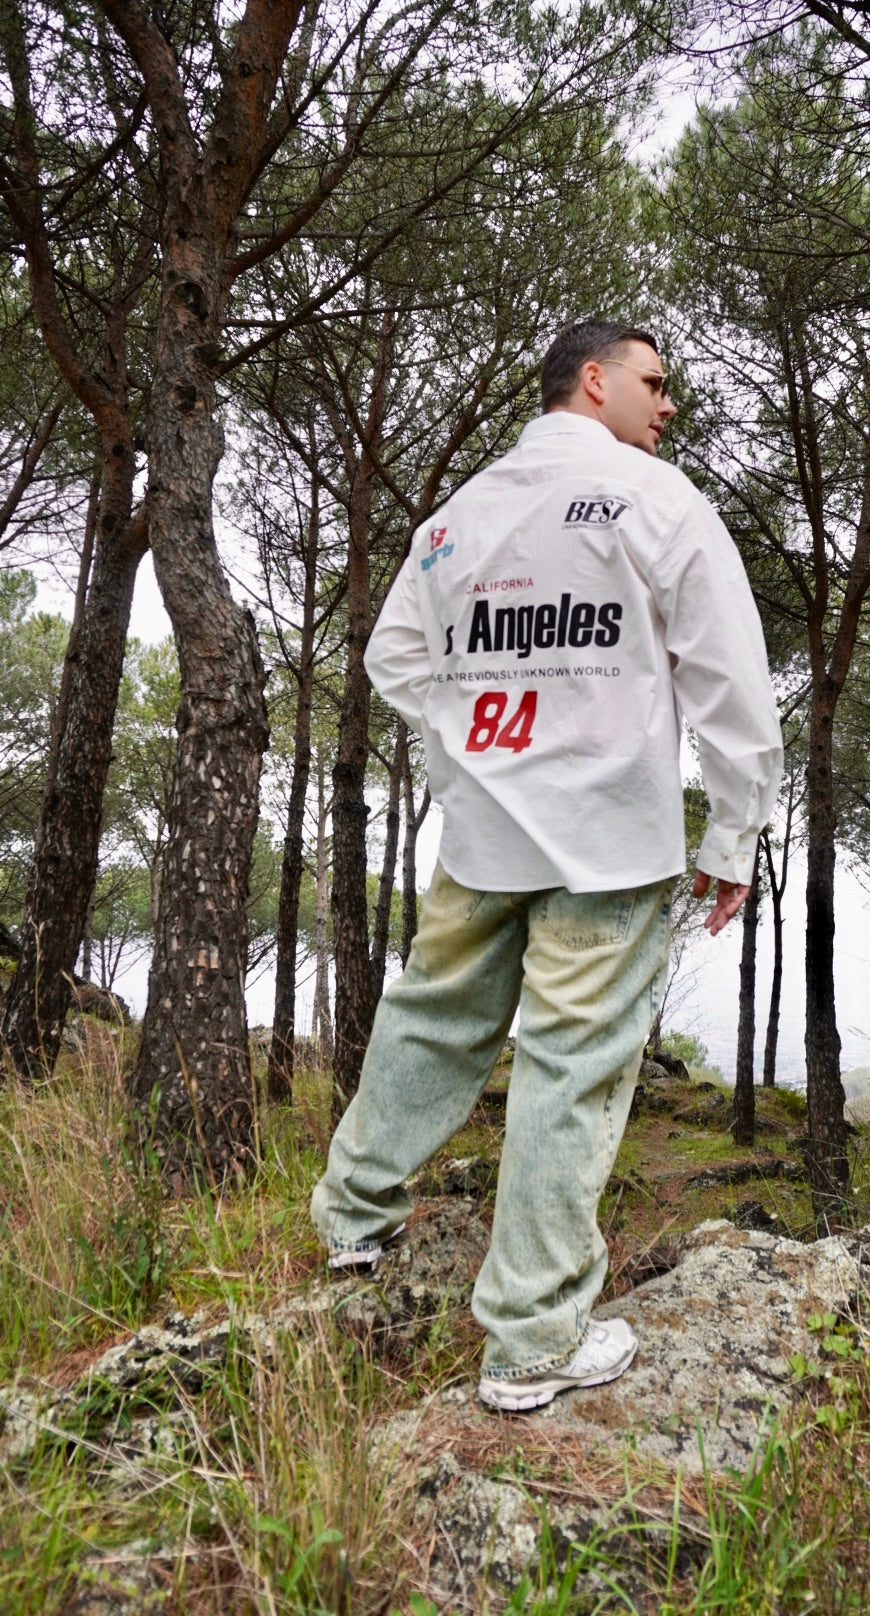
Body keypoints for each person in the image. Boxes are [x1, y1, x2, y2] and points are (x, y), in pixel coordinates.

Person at [310, 319, 783, 1412]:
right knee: (571, 1062)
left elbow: (394, 655)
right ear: (595, 379)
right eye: (655, 381)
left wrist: (470, 744)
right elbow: (730, 677)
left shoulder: (458, 516)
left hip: (487, 826)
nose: (668, 404)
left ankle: (352, 1218)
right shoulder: (658, 501)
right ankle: (531, 1339)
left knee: (434, 1012)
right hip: (608, 834)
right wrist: (733, 833)